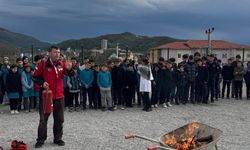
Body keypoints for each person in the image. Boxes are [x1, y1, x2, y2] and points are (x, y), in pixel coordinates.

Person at [33, 46, 72, 148]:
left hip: (59, 96)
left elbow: (70, 75)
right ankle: (41, 140)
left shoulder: (61, 64)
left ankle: (58, 138)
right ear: (49, 53)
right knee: (43, 119)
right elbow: (34, 77)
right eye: (55, 52)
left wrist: (69, 69)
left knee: (59, 119)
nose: (57, 54)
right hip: (46, 95)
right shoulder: (43, 63)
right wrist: (42, 83)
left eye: (59, 52)